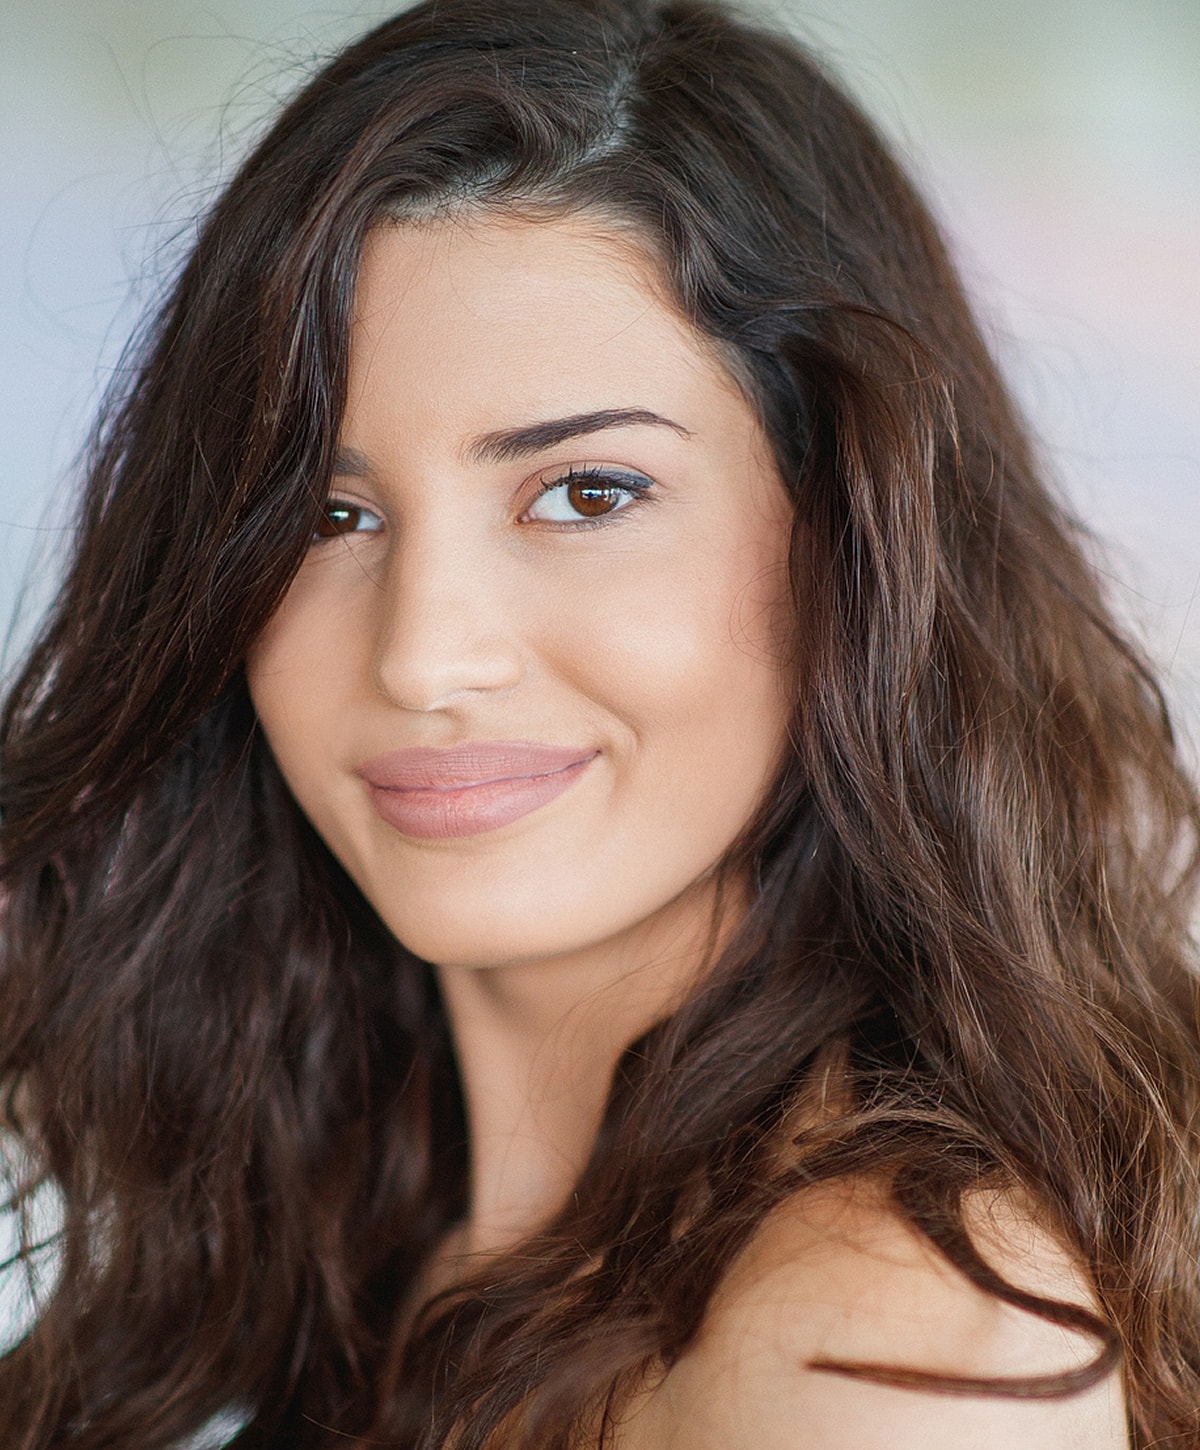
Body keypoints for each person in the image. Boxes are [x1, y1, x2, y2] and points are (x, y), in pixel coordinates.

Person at [1, 0, 1197, 1444]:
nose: (424, 656)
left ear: (854, 545)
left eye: (586, 493)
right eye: (327, 510)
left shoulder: (885, 1343)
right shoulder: (327, 1225)